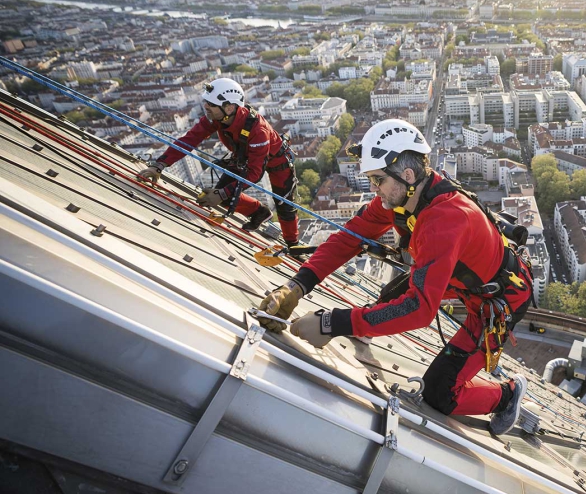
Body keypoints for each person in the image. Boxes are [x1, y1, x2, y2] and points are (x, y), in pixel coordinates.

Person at [257, 119, 533, 436]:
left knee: (439, 394)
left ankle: (508, 394)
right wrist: (295, 287)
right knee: (390, 297)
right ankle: (367, 324)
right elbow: (347, 239)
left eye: (378, 180)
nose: (374, 190)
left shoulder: (445, 220)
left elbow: (419, 310)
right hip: (465, 279)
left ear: (407, 176)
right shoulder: (402, 199)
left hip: (497, 302)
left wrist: (332, 323)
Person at [138, 78, 313, 256]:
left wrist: (223, 193)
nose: (206, 107)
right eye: (206, 102)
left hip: (278, 163)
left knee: (284, 205)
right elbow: (190, 139)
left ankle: (294, 246)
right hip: (244, 157)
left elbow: (255, 173)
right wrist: (159, 165)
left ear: (229, 107)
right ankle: (259, 211)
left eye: (211, 104)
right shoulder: (217, 118)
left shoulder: (258, 131)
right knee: (221, 195)